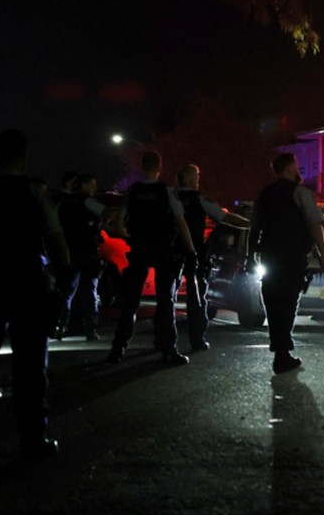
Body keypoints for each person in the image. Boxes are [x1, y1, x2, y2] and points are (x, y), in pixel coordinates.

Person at [0, 129, 69, 459]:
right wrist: (64, 275)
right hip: (27, 284)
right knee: (30, 366)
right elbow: (55, 238)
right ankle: (32, 438)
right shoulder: (34, 191)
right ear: (23, 156)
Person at [107, 151, 197, 366]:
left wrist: (128, 234)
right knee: (165, 301)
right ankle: (168, 349)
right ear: (159, 166)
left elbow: (119, 222)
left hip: (139, 249)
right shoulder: (166, 191)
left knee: (130, 303)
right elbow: (180, 222)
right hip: (163, 250)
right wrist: (191, 250)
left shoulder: (133, 191)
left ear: (142, 165)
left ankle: (117, 349)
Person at [246, 153, 324, 374]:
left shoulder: (265, 194)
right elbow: (315, 225)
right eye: (295, 167)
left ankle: (281, 350)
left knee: (273, 303)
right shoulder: (300, 192)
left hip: (271, 258)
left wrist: (250, 255)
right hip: (292, 257)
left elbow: (254, 227)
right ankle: (282, 353)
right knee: (288, 303)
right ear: (288, 169)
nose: (298, 171)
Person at [175, 164, 249, 353]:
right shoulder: (199, 200)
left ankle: (164, 341)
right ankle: (197, 339)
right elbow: (225, 218)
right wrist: (250, 224)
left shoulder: (170, 197)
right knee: (197, 298)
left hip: (171, 252)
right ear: (192, 180)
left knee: (166, 299)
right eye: (197, 178)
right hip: (194, 254)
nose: (198, 181)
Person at [55, 173, 109, 341]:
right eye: (92, 184)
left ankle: (60, 326)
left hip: (69, 251)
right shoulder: (88, 201)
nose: (94, 188)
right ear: (84, 185)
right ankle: (90, 329)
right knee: (90, 291)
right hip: (88, 252)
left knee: (67, 291)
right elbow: (105, 212)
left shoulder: (65, 202)